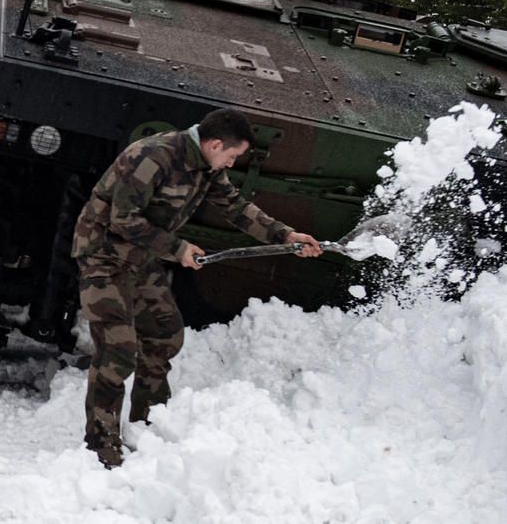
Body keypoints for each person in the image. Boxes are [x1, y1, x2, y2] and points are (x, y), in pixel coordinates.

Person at [71, 108, 323, 468]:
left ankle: (148, 423)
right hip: (104, 255)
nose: (232, 164)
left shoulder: (207, 167)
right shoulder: (154, 156)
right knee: (119, 350)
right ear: (216, 144)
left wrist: (286, 235)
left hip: (140, 259)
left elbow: (236, 208)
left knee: (164, 333)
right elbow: (123, 219)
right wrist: (177, 249)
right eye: (232, 156)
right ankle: (101, 443)